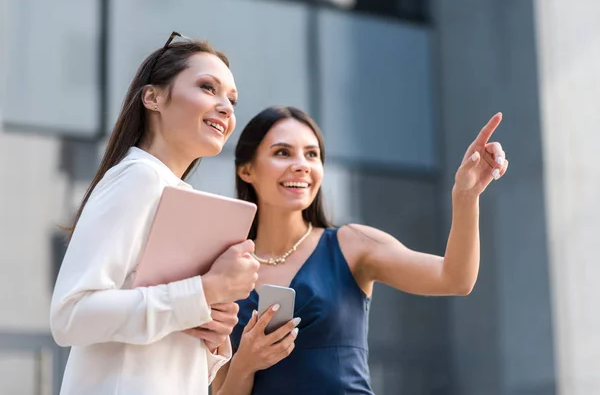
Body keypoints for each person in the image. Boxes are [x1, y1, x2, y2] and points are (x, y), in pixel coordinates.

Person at [211, 106, 509, 394]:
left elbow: (455, 278)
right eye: (282, 152)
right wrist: (245, 365)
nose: (301, 164)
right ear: (247, 170)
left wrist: (466, 197)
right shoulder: (226, 268)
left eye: (312, 155)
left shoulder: (352, 245)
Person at [49, 32, 260, 395]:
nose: (226, 107)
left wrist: (211, 332)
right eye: (208, 88)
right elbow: (70, 316)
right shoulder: (138, 178)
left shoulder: (180, 196)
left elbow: (163, 353)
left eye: (233, 100)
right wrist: (202, 291)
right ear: (153, 97)